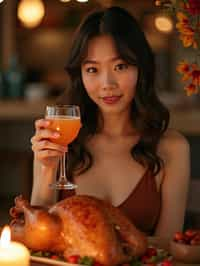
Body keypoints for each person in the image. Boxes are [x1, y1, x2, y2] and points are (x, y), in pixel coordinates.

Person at [30, 6, 190, 238]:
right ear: (80, 76)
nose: (107, 83)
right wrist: (47, 167)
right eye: (93, 69)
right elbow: (40, 236)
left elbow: (169, 249)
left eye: (120, 66)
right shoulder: (59, 138)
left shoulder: (173, 148)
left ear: (140, 68)